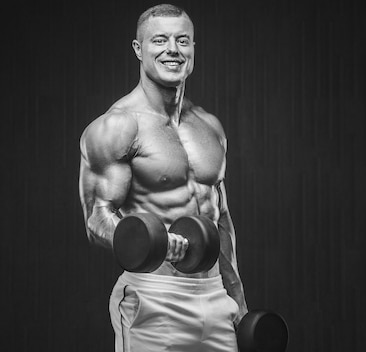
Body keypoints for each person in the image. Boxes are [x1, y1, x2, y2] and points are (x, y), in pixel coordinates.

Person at [79, 4, 247, 351]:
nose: (173, 49)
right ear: (139, 49)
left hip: (214, 297)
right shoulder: (117, 126)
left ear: (193, 49)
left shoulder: (210, 127)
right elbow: (97, 217)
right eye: (160, 40)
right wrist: (151, 243)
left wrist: (237, 297)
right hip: (155, 296)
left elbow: (219, 216)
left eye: (182, 40)